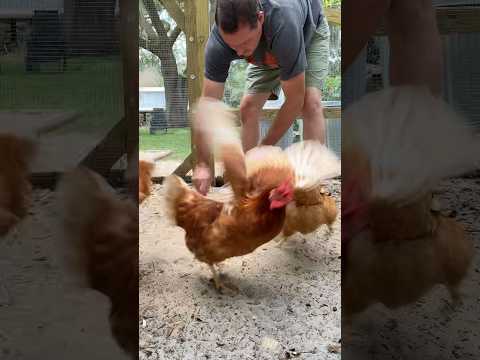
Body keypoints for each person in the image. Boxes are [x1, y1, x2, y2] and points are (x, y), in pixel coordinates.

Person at [193, 0, 331, 195]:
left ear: (260, 17)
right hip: (266, 49)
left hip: (308, 33)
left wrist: (263, 150)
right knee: (248, 107)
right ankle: (247, 182)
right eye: (233, 46)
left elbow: (295, 100)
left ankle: (312, 187)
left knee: (310, 102)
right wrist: (202, 164)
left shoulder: (284, 21)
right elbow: (208, 105)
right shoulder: (220, 42)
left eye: (243, 43)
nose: (239, 53)